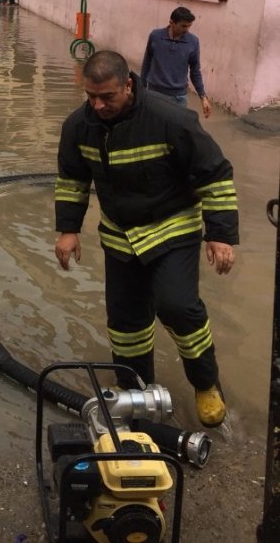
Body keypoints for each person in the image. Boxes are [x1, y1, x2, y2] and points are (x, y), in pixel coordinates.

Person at [54, 50, 238, 428]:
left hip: (172, 229)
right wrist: (69, 230)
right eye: (91, 96)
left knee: (178, 307)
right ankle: (137, 393)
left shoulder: (170, 119)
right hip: (121, 238)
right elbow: (73, 181)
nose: (98, 105)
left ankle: (206, 384)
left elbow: (214, 174)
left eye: (107, 96)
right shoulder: (77, 127)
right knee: (125, 324)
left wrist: (219, 235)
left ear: (128, 85)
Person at [140, 6, 211, 117]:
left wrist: (203, 97)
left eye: (189, 26)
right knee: (153, 129)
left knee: (176, 131)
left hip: (178, 98)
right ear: (171, 23)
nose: (186, 29)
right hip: (154, 94)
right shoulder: (155, 36)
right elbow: (147, 63)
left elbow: (195, 71)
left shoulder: (193, 41)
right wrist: (141, 87)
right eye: (183, 26)